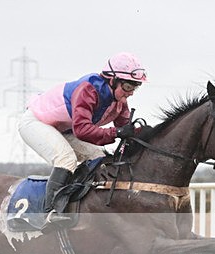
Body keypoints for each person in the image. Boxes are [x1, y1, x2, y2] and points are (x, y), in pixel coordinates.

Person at [18, 52, 148, 223]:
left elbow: (124, 128)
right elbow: (82, 130)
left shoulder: (119, 100)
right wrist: (116, 133)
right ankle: (49, 212)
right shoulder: (88, 89)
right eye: (128, 87)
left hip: (65, 129)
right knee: (65, 159)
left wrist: (145, 133)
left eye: (135, 87)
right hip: (36, 122)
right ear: (112, 80)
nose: (130, 93)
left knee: (100, 158)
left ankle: (78, 202)